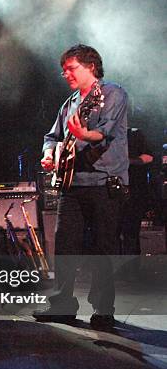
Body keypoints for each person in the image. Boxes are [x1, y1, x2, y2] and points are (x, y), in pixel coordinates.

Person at [33, 44, 129, 328]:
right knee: (65, 246)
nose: (66, 74)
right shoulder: (69, 103)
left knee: (103, 247)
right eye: (63, 70)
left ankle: (103, 310)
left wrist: (85, 133)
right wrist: (49, 153)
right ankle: (62, 305)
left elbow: (106, 131)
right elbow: (52, 136)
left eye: (71, 68)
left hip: (104, 181)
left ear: (91, 67)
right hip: (72, 184)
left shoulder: (112, 94)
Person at [120, 127, 153, 279]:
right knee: (110, 232)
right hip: (112, 191)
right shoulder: (105, 133)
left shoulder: (135, 133)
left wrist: (128, 161)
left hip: (134, 190)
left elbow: (149, 157)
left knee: (130, 232)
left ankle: (131, 271)